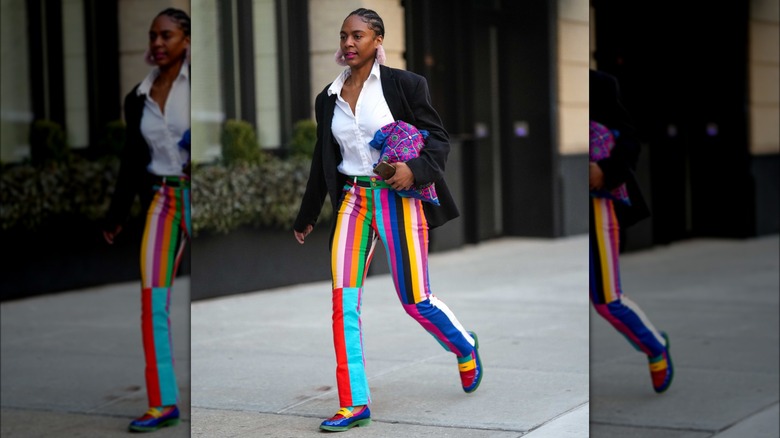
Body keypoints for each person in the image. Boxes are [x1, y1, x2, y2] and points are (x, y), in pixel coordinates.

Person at [293, 8, 482, 432]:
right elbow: (323, 157)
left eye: (358, 35)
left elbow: (438, 139)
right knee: (343, 302)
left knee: (414, 299)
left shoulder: (405, 85)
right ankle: (354, 402)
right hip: (353, 201)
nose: (348, 43)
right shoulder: (328, 98)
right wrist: (307, 214)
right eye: (343, 35)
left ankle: (464, 345)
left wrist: (415, 170)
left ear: (378, 40)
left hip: (398, 199)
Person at [102, 8, 190, 432]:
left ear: (185, 41)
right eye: (153, 36)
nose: (157, 42)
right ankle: (161, 402)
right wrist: (117, 213)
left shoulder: (196, 87)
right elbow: (132, 159)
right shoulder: (137, 98)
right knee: (152, 299)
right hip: (162, 198)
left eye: (166, 35)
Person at [589, 69, 673, 394]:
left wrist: (604, 170)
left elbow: (629, 139)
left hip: (597, 204)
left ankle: (655, 347)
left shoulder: (599, 84)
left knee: (606, 300)